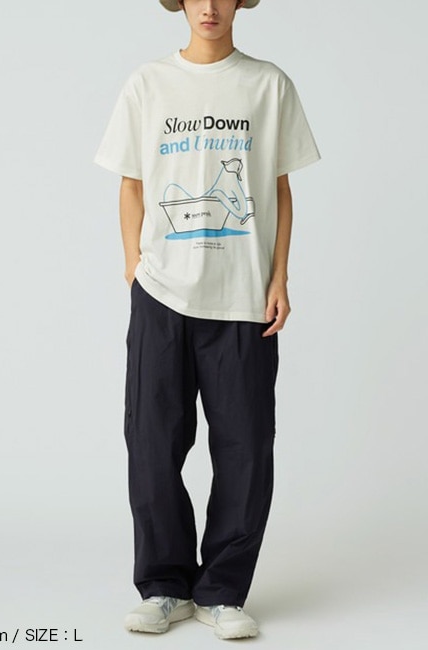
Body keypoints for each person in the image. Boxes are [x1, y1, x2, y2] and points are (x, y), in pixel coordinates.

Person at [94, 0, 321, 640]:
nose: (210, 7)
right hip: (162, 293)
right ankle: (164, 585)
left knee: (246, 448)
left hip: (243, 298)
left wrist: (278, 278)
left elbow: (279, 189)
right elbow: (132, 183)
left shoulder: (268, 84)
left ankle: (222, 591)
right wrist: (134, 267)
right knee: (152, 443)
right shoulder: (148, 84)